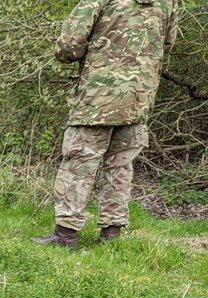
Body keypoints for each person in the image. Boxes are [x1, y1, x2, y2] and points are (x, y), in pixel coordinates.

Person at [32, 0, 179, 248]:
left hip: (99, 95)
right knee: (121, 165)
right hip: (139, 96)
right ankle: (112, 235)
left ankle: (66, 235)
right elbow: (167, 44)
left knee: (79, 163)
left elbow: (68, 46)